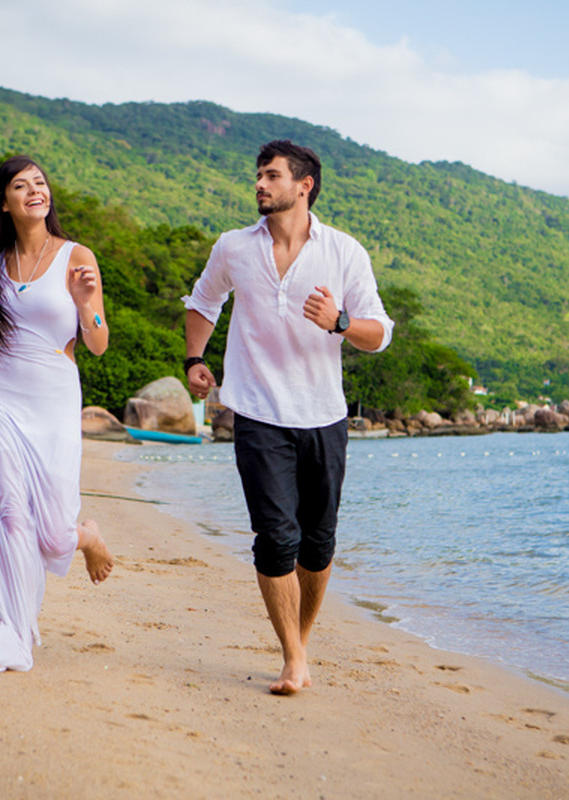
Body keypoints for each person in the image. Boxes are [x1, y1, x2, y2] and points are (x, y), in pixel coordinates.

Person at [183, 140, 393, 694]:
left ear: (304, 186)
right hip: (256, 411)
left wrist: (340, 320)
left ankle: (298, 640)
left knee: (317, 544)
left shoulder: (345, 252)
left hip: (323, 415)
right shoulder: (233, 247)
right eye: (257, 175)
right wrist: (194, 360)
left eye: (271, 176)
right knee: (276, 538)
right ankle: (293, 658)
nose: (259, 184)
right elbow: (203, 302)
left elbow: (379, 334)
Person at [0, 155, 114, 672]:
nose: (34, 191)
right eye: (21, 186)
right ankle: (13, 630)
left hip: (52, 401)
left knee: (51, 535)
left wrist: (86, 301)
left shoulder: (75, 255)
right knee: (8, 516)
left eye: (40, 183)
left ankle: (84, 535)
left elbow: (97, 344)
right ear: (5, 201)